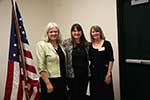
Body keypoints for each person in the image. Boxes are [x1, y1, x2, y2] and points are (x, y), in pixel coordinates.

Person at [35, 22, 67, 100]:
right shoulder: (41, 45)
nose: (53, 33)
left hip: (61, 80)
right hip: (49, 80)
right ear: (47, 33)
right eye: (51, 32)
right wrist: (48, 83)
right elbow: (41, 66)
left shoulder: (61, 45)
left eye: (55, 31)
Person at [63, 23, 90, 100]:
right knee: (74, 96)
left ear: (81, 32)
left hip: (84, 75)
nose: (76, 33)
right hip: (72, 75)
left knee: (82, 95)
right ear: (71, 32)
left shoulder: (86, 44)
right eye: (74, 31)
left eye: (78, 30)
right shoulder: (66, 43)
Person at [89, 25, 114, 100]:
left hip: (105, 73)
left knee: (106, 94)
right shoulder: (90, 46)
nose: (95, 33)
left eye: (97, 31)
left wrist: (108, 74)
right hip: (94, 75)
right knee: (95, 94)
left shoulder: (107, 44)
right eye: (93, 32)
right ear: (91, 34)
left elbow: (111, 59)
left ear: (100, 32)